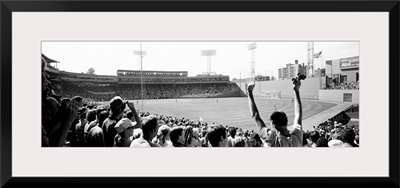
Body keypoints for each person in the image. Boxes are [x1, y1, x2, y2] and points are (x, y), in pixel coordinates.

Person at [247, 76, 303, 147]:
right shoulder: (297, 137)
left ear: (274, 125)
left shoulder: (273, 139)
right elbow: (298, 114)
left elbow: (255, 116)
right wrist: (296, 90)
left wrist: (249, 92)